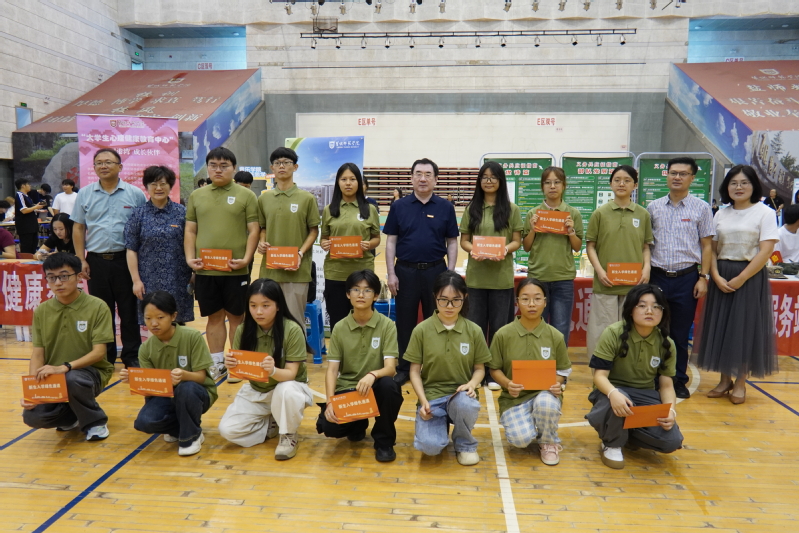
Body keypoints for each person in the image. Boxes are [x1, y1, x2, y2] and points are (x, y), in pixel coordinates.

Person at [699, 165, 779, 404]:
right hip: (721, 274)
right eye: (734, 183)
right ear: (727, 187)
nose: (739, 187)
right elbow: (712, 249)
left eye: (744, 183)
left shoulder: (765, 213)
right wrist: (715, 275)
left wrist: (742, 277)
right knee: (722, 327)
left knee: (744, 329)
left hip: (750, 276)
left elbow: (765, 251)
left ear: (754, 186)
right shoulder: (720, 214)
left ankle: (741, 382)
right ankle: (724, 381)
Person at [586, 284, 683, 469]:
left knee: (672, 441)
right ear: (631, 310)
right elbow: (599, 376)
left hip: (645, 395)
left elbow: (666, 386)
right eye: (642, 305)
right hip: (611, 392)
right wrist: (613, 393)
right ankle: (612, 443)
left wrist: (671, 411)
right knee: (620, 402)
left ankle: (625, 433)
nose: (650, 311)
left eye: (656, 307)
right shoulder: (613, 333)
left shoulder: (667, 343)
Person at [20, 253, 115, 441]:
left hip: (89, 373)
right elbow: (38, 354)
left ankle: (95, 422)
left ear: (79, 277)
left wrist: (65, 367)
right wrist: (32, 390)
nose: (58, 283)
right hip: (54, 375)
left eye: (64, 276)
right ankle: (72, 416)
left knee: (72, 379)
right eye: (52, 277)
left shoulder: (97, 306)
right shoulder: (42, 310)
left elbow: (99, 353)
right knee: (33, 417)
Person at [218, 279, 314, 461]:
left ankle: (288, 434)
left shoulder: (292, 330)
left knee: (286, 390)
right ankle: (271, 423)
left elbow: (291, 374)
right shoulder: (243, 330)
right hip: (257, 390)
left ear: (278, 306)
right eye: (253, 305)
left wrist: (273, 371)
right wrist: (232, 365)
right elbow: (241, 372)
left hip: (288, 387)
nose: (259, 311)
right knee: (228, 430)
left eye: (265, 305)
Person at [185, 147, 260, 379]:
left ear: (234, 168)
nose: (218, 170)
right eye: (213, 165)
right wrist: (189, 259)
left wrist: (246, 259)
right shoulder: (197, 196)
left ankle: (237, 364)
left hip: (236, 270)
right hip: (206, 270)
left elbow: (254, 230)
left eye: (224, 166)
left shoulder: (246, 196)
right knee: (214, 317)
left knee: (237, 317)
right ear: (207, 168)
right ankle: (217, 363)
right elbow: (190, 230)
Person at [384, 158, 459, 386]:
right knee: (405, 322)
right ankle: (405, 368)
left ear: (436, 179)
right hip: (404, 272)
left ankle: (433, 367)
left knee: (435, 321)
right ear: (411, 178)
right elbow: (391, 242)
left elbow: (452, 242)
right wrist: (391, 273)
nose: (423, 178)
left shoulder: (446, 207)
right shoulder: (399, 206)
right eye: (418, 174)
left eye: (428, 174)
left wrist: (450, 274)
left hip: (436, 272)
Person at [405, 271, 491, 466]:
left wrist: (472, 384)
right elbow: (414, 372)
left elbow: (480, 369)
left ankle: (465, 444)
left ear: (465, 298)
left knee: (466, 404)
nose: (449, 306)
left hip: (459, 395)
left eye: (456, 300)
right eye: (443, 300)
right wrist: (423, 401)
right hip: (432, 398)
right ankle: (439, 423)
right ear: (434, 297)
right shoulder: (421, 330)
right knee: (430, 447)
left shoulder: (474, 330)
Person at [316, 270, 403, 462]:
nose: (361, 295)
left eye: (367, 290)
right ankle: (358, 423)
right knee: (329, 427)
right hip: (348, 389)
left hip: (375, 387)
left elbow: (391, 368)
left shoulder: (387, 325)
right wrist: (330, 402)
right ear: (348, 294)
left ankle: (384, 441)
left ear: (376, 295)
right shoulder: (340, 328)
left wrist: (372, 375)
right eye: (356, 289)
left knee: (390, 386)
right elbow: (332, 370)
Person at [646, 157, 714, 399]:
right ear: (667, 175)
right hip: (657, 277)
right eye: (673, 172)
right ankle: (652, 378)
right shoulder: (653, 207)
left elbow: (707, 246)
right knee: (653, 330)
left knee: (680, 333)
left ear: (692, 178)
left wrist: (703, 277)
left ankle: (677, 380)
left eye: (683, 174)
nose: (677, 177)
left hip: (687, 278)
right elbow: (646, 244)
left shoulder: (701, 208)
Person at [71, 148, 147, 368]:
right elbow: (78, 227)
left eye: (108, 162)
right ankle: (105, 357)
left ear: (120, 167)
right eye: (99, 163)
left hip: (126, 260)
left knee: (128, 310)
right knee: (102, 311)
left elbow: (142, 228)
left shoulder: (135, 194)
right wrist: (81, 259)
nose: (103, 166)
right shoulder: (84, 194)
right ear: (94, 167)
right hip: (96, 261)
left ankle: (132, 356)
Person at [120, 291, 217, 456]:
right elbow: (150, 391)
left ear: (173, 316)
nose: (154, 323)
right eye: (148, 318)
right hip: (165, 396)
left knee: (186, 388)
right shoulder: (146, 348)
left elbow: (201, 377)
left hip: (196, 393)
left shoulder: (192, 336)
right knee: (144, 423)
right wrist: (135, 380)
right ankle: (182, 427)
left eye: (160, 317)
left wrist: (184, 375)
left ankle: (191, 437)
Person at [488, 278, 572, 466]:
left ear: (545, 302)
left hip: (545, 394)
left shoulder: (555, 335)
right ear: (517, 302)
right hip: (514, 399)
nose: (532, 304)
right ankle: (530, 423)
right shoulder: (503, 334)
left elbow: (563, 369)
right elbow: (494, 368)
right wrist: (507, 384)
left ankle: (548, 440)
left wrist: (557, 383)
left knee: (546, 404)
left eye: (537, 298)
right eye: (525, 299)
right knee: (520, 440)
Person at [459, 161, 522, 377]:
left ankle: (495, 372)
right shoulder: (472, 209)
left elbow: (516, 241)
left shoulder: (511, 209)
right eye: (484, 177)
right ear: (479, 181)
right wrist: (474, 250)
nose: (488, 181)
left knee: (499, 328)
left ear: (501, 181)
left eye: (493, 177)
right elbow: (464, 241)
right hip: (476, 279)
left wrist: (504, 249)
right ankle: (478, 370)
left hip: (501, 279)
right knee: (475, 328)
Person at [585, 165, 653, 357]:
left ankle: (625, 371)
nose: (621, 184)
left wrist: (647, 268)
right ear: (611, 184)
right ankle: (600, 370)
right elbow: (590, 246)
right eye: (617, 180)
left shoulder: (643, 214)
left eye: (627, 180)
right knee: (601, 332)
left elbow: (645, 247)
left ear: (635, 185)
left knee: (630, 332)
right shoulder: (600, 213)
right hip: (606, 284)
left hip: (634, 285)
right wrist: (600, 271)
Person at [256, 147, 320, 326]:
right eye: (277, 163)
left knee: (295, 322)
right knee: (268, 322)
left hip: (297, 272)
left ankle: (296, 348)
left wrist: (300, 253)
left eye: (286, 162)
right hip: (270, 271)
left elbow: (313, 231)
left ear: (295, 167)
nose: (281, 166)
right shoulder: (264, 199)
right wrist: (262, 242)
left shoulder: (307, 198)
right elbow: (263, 228)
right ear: (272, 168)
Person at [521, 166, 584, 345]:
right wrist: (533, 229)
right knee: (535, 325)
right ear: (542, 186)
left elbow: (577, 247)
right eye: (548, 182)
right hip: (537, 277)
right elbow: (526, 246)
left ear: (564, 186)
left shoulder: (573, 213)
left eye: (557, 182)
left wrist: (571, 231)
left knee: (560, 327)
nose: (552, 186)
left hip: (563, 278)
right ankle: (535, 359)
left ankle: (559, 362)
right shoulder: (533, 213)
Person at [125, 166, 195, 325]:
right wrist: (136, 281)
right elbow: (131, 249)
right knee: (154, 321)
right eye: (153, 184)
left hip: (178, 278)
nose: (158, 188)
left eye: (163, 184)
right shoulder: (138, 214)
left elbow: (192, 243)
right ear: (146, 186)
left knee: (177, 321)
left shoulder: (182, 212)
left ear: (170, 186)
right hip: (148, 279)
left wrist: (194, 272)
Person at [319, 163, 380, 329]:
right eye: (343, 179)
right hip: (335, 273)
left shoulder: (370, 209)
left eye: (352, 179)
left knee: (363, 321)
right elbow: (324, 238)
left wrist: (369, 244)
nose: (348, 183)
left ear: (359, 182)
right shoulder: (329, 210)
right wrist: (324, 243)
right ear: (338, 182)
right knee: (338, 322)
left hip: (362, 273)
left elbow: (376, 238)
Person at [15, 178, 45, 254]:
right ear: (23, 186)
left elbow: (29, 208)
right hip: (25, 226)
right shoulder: (20, 195)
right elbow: (24, 210)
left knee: (33, 245)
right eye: (28, 184)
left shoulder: (27, 196)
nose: (30, 186)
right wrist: (35, 207)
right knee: (26, 247)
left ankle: (31, 259)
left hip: (32, 225)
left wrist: (37, 208)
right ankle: (25, 260)